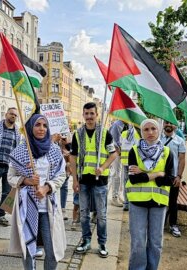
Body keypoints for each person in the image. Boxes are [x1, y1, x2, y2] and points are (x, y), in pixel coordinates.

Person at [7, 114, 66, 270]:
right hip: (27, 208)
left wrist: (47, 187)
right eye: (37, 125)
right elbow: (11, 177)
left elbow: (61, 175)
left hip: (48, 208)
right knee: (28, 249)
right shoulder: (20, 151)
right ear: (30, 128)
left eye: (44, 125)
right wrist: (26, 181)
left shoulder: (54, 150)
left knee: (52, 250)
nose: (41, 129)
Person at [70, 102, 119, 258]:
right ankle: (85, 241)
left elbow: (113, 154)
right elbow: (73, 157)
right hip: (84, 180)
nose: (89, 117)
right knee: (83, 213)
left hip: (100, 181)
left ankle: (102, 243)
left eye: (92, 113)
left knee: (102, 214)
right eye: (87, 114)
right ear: (83, 115)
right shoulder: (78, 134)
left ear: (97, 115)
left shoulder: (105, 134)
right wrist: (74, 180)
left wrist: (103, 167)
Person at [126, 119, 174, 270]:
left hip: (158, 202)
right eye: (146, 129)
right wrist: (157, 173)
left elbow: (169, 180)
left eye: (153, 128)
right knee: (138, 242)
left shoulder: (167, 152)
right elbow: (133, 179)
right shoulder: (134, 150)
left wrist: (145, 173)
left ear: (159, 131)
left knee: (155, 242)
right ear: (141, 132)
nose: (150, 132)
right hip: (137, 202)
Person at [160, 121, 186, 237]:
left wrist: (179, 176)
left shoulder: (180, 141)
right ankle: (159, 224)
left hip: (173, 176)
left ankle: (173, 225)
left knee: (172, 202)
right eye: (166, 122)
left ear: (175, 125)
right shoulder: (158, 139)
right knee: (158, 200)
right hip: (159, 175)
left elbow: (181, 160)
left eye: (171, 122)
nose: (168, 125)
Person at [120, 124, 141, 211]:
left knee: (126, 183)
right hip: (132, 163)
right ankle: (130, 202)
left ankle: (126, 203)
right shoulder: (138, 135)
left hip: (127, 162)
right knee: (132, 182)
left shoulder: (124, 133)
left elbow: (120, 144)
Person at [109, 120, 124, 207]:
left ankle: (118, 195)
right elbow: (113, 141)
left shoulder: (127, 124)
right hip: (117, 153)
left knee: (120, 176)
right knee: (116, 175)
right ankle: (114, 197)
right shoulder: (117, 124)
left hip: (123, 154)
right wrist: (119, 152)